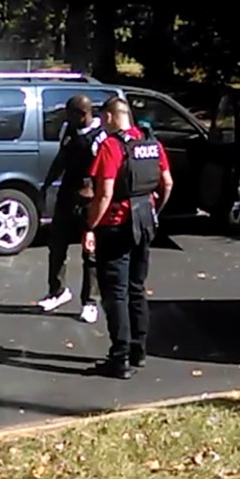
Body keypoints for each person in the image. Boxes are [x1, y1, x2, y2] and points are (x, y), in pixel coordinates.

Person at [83, 96, 173, 379]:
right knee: (137, 287)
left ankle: (118, 358)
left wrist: (90, 226)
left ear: (110, 117)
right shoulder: (151, 143)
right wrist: (153, 207)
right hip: (145, 221)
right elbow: (167, 182)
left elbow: (105, 193)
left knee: (116, 293)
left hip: (116, 226)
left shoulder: (111, 147)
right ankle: (139, 350)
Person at [39, 94, 108, 323]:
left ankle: (90, 301)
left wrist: (97, 195)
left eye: (71, 114)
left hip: (89, 199)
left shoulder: (100, 137)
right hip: (67, 194)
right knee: (56, 244)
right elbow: (61, 159)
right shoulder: (69, 130)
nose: (66, 119)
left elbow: (106, 172)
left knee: (90, 251)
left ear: (83, 114)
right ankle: (57, 291)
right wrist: (47, 184)